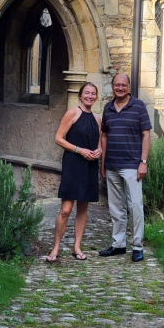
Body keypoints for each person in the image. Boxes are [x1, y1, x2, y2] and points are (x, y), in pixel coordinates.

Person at [46, 82, 102, 262]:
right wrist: (79, 150)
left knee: (83, 208)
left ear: (96, 97)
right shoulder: (72, 113)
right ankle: (55, 248)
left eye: (93, 94)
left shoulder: (97, 119)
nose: (90, 96)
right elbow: (58, 138)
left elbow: (99, 141)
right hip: (73, 164)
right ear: (80, 95)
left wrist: (99, 150)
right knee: (65, 209)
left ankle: (77, 246)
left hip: (90, 165)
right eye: (87, 93)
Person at [99, 73, 151, 262]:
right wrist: (103, 163)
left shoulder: (138, 106)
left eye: (123, 85)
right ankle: (118, 244)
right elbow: (104, 136)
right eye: (116, 85)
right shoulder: (108, 108)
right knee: (115, 208)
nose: (120, 88)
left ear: (128, 86)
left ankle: (137, 247)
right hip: (112, 164)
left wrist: (143, 162)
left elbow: (146, 135)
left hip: (132, 165)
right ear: (112, 86)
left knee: (135, 206)